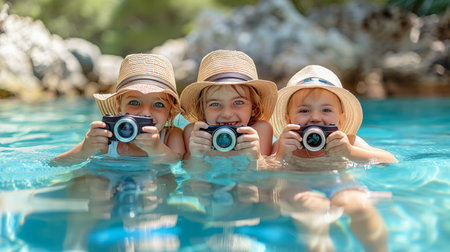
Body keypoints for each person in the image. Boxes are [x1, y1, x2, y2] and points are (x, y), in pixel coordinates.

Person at [270, 65, 396, 252]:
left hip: (339, 185)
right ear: (289, 120)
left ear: (341, 120)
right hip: (297, 187)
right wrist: (280, 154)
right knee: (312, 207)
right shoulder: (284, 143)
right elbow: (262, 169)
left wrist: (350, 153)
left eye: (326, 110)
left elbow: (389, 160)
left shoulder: (348, 142)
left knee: (360, 205)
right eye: (304, 111)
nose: (315, 118)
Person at [53, 54, 185, 165]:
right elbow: (57, 163)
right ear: (118, 107)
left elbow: (177, 161)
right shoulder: (108, 136)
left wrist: (157, 149)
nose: (145, 112)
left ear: (170, 112)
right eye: (134, 102)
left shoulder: (171, 136)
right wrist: (86, 150)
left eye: (158, 104)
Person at [181, 50, 278, 161]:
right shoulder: (196, 134)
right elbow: (192, 176)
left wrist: (256, 158)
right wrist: (196, 157)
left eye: (238, 102)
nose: (227, 114)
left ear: (254, 108)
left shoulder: (260, 131)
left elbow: (265, 176)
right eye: (215, 104)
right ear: (202, 110)